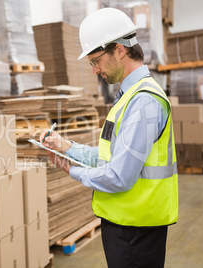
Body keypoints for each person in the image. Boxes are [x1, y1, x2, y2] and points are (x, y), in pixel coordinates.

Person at [40, 7, 178, 268]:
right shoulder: (129, 96)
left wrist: (72, 171)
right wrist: (66, 146)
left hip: (136, 230)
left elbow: (119, 176)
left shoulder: (143, 101)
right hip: (126, 224)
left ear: (119, 49)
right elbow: (110, 157)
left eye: (96, 61)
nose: (95, 70)